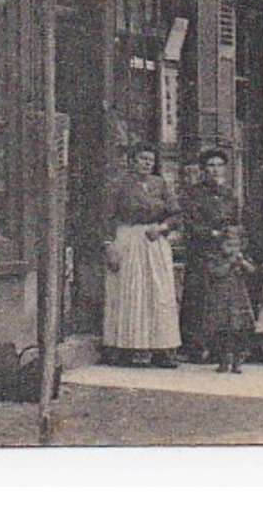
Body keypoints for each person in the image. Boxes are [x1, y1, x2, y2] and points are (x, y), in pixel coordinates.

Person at [102, 144, 182, 368]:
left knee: (158, 293)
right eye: (142, 159)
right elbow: (107, 217)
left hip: (154, 240)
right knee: (131, 292)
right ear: (132, 161)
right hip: (128, 239)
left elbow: (176, 215)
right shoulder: (120, 185)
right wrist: (109, 246)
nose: (146, 163)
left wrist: (163, 228)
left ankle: (161, 348)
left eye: (150, 159)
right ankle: (130, 348)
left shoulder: (161, 184)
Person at [179, 148, 241, 362]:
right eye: (211, 166)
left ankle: (218, 347)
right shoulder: (194, 193)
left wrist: (232, 240)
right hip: (201, 251)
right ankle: (194, 347)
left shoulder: (229, 193)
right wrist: (211, 233)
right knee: (197, 298)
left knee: (220, 299)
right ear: (204, 170)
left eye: (219, 165)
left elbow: (235, 220)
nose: (215, 170)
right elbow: (190, 223)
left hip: (223, 252)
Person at [204, 226, 256, 374]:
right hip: (221, 298)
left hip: (238, 298)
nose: (232, 249)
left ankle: (237, 360)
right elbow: (217, 273)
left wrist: (243, 263)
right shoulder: (215, 259)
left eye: (236, 245)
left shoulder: (242, 259)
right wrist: (230, 263)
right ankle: (223, 360)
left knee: (238, 330)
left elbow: (252, 271)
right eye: (228, 245)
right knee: (221, 330)